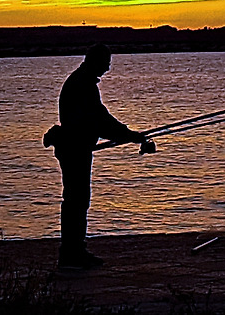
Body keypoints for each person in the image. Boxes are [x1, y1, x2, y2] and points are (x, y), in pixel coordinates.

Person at [45, 43, 156, 270]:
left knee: (77, 200)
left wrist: (127, 135)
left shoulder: (80, 81)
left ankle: (75, 250)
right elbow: (99, 120)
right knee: (76, 200)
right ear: (95, 61)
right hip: (74, 149)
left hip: (77, 147)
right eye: (106, 63)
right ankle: (71, 254)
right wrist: (130, 135)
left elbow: (100, 120)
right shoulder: (82, 84)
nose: (107, 68)